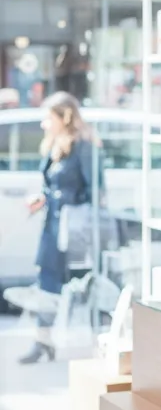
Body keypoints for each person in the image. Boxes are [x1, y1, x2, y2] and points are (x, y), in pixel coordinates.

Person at [19, 92, 100, 364]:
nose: (44, 124)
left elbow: (96, 191)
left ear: (63, 117)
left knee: (82, 284)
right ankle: (43, 341)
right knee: (47, 284)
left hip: (74, 230)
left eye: (48, 117)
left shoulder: (84, 146)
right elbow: (50, 185)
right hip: (54, 227)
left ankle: (93, 342)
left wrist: (65, 201)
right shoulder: (56, 146)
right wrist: (43, 197)